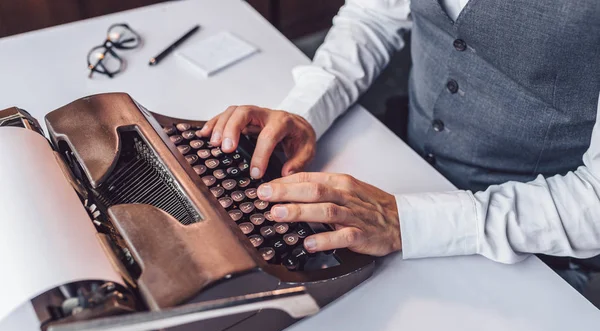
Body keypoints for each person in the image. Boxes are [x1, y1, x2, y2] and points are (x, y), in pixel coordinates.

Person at [198, 0, 600, 289]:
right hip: (406, 165)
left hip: (538, 248)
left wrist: (405, 222)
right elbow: (374, 15)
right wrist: (306, 109)